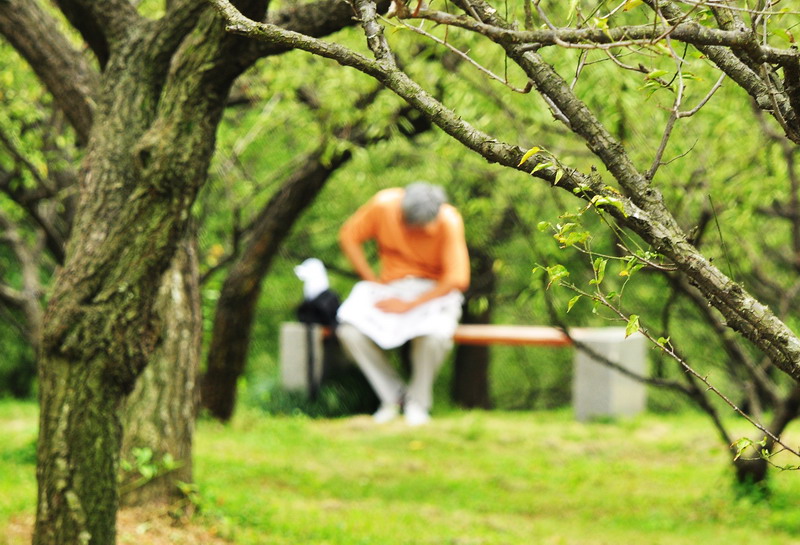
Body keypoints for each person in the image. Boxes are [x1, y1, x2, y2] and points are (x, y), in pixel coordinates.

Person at [336, 182, 470, 425]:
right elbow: (348, 235)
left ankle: (418, 403)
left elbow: (457, 278)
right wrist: (372, 281)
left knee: (435, 337)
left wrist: (411, 305)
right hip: (390, 288)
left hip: (434, 293)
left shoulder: (449, 220)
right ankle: (393, 397)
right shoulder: (383, 204)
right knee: (349, 331)